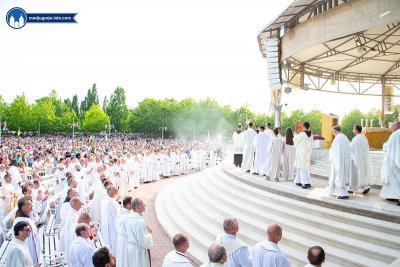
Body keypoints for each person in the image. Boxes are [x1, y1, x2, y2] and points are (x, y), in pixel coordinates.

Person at [125, 198, 153, 267]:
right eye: (143, 204)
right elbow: (144, 242)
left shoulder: (129, 218)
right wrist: (149, 233)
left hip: (131, 249)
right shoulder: (139, 221)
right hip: (138, 252)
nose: (144, 205)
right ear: (138, 207)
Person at [12, 197, 40, 265]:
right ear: (23, 207)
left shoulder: (25, 217)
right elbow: (23, 240)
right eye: (30, 205)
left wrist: (33, 224)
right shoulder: (20, 221)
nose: (32, 206)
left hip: (33, 249)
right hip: (28, 251)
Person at [326, 126, 350, 199]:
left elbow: (335, 151)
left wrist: (331, 155)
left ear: (335, 131)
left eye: (332, 132)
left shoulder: (337, 138)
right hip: (344, 161)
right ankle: (334, 191)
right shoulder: (345, 137)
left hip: (337, 161)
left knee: (338, 177)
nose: (332, 133)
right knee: (341, 177)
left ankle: (342, 193)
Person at [380, 121, 400, 205]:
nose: (391, 127)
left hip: (393, 159)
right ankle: (392, 195)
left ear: (397, 126)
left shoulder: (395, 134)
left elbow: (388, 146)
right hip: (395, 158)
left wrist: (384, 145)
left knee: (393, 178)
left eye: (392, 126)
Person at [348, 125, 372, 194]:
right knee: (362, 173)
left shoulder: (356, 138)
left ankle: (351, 188)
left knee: (354, 174)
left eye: (353, 129)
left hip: (356, 159)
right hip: (363, 159)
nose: (353, 131)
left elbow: (351, 149)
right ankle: (365, 186)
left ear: (356, 129)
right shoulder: (364, 137)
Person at [293, 122, 313, 188]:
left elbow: (295, 140)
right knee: (301, 168)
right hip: (307, 153)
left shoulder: (302, 134)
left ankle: (306, 183)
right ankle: (298, 180)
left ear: (303, 126)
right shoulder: (311, 134)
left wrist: (295, 134)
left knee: (302, 168)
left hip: (301, 153)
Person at [101, 185, 120, 251]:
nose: (116, 193)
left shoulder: (105, 200)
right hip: (112, 224)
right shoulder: (110, 202)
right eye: (115, 192)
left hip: (107, 223)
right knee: (113, 238)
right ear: (110, 193)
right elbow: (116, 215)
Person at [116, 196, 132, 267]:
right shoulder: (127, 216)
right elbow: (129, 230)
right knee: (126, 260)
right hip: (126, 239)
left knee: (121, 259)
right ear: (128, 205)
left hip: (120, 239)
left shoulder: (120, 212)